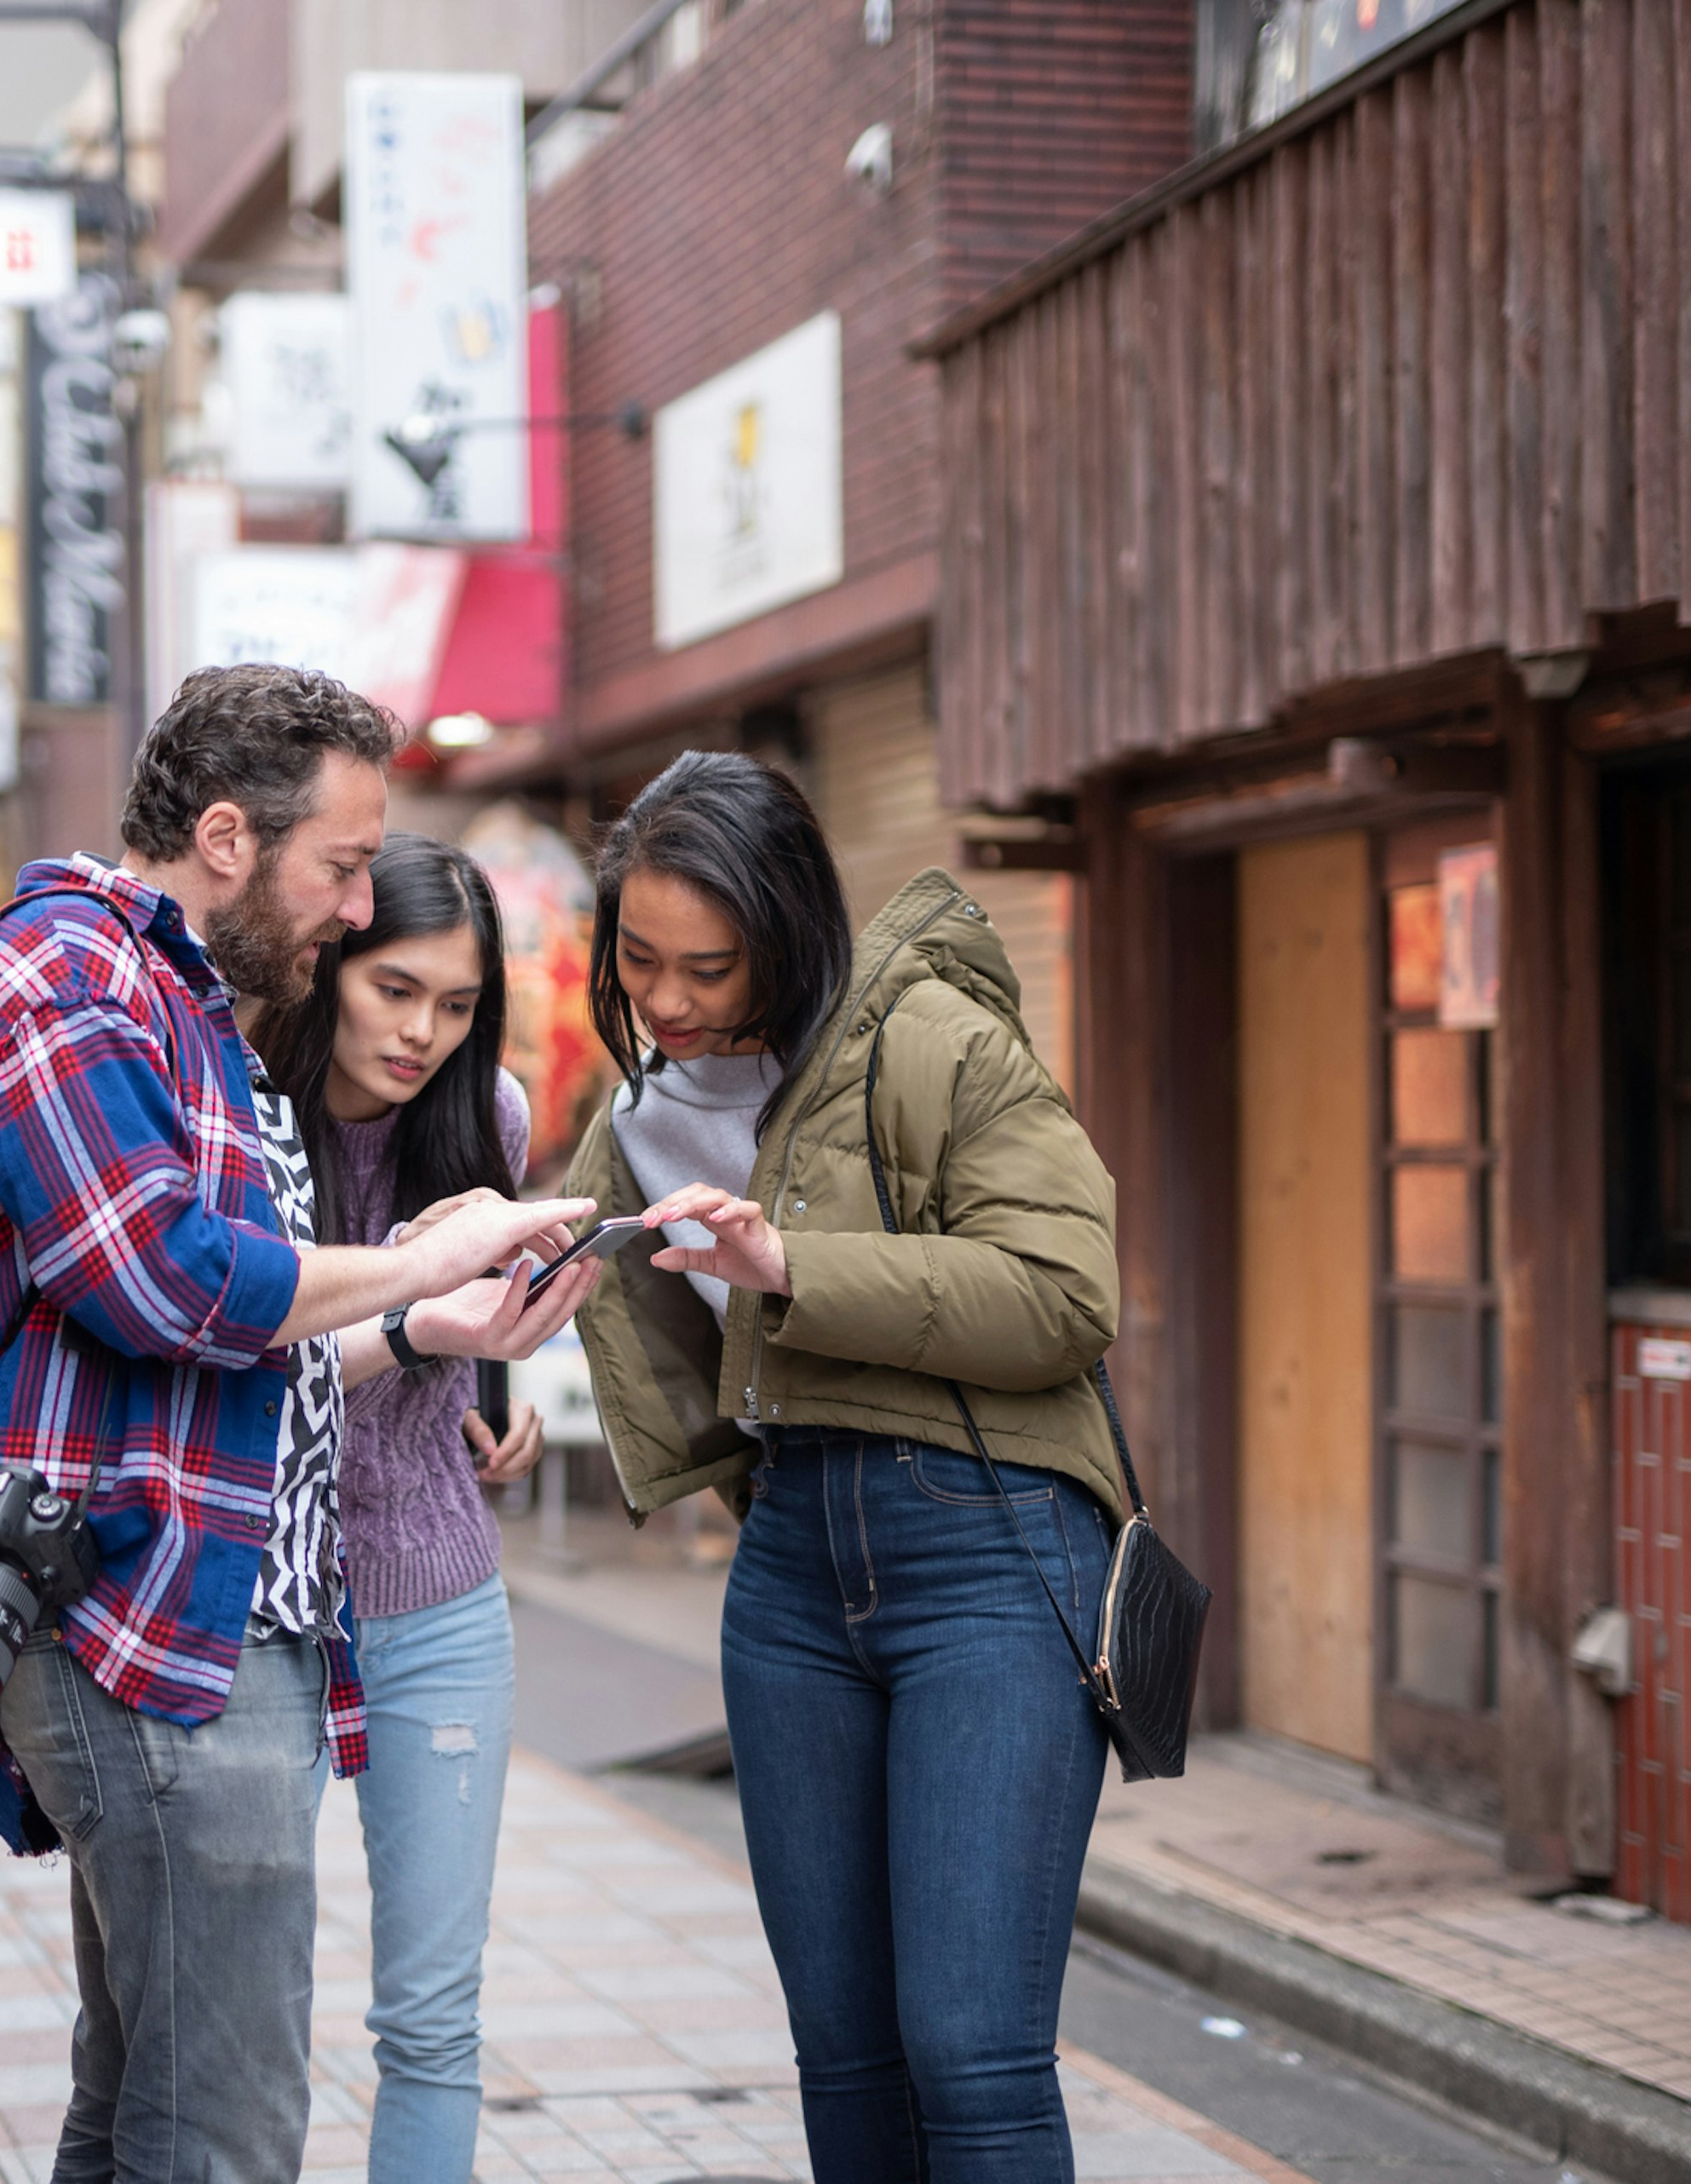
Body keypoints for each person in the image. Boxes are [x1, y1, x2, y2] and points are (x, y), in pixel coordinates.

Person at [0, 664, 603, 2184]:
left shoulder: (182, 1000)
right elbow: (158, 1277)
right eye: (344, 864)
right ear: (227, 835)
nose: (361, 908)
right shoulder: (62, 973)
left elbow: (235, 1361)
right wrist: (421, 1259)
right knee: (221, 2131)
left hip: (217, 1622)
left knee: (140, 2108)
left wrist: (434, 1327)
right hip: (144, 1622)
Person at [561, 750, 1126, 2184]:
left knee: (971, 2050)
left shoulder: (934, 1039)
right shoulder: (633, 1111)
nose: (669, 998)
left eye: (710, 964)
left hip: (990, 1549)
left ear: (793, 930)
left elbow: (1066, 1294)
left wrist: (792, 1260)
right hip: (793, 1562)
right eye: (638, 958)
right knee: (846, 2051)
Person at [252, 835, 543, 2184]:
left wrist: (498, 1380)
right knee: (234, 2017)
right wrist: (426, 1326)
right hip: (257, 1608)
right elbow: (244, 1362)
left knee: (433, 2018)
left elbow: (468, 1330)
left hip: (437, 1600)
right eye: (395, 990)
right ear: (331, 969)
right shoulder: (245, 1113)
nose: (426, 1032)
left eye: (460, 1004)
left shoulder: (493, 1123)